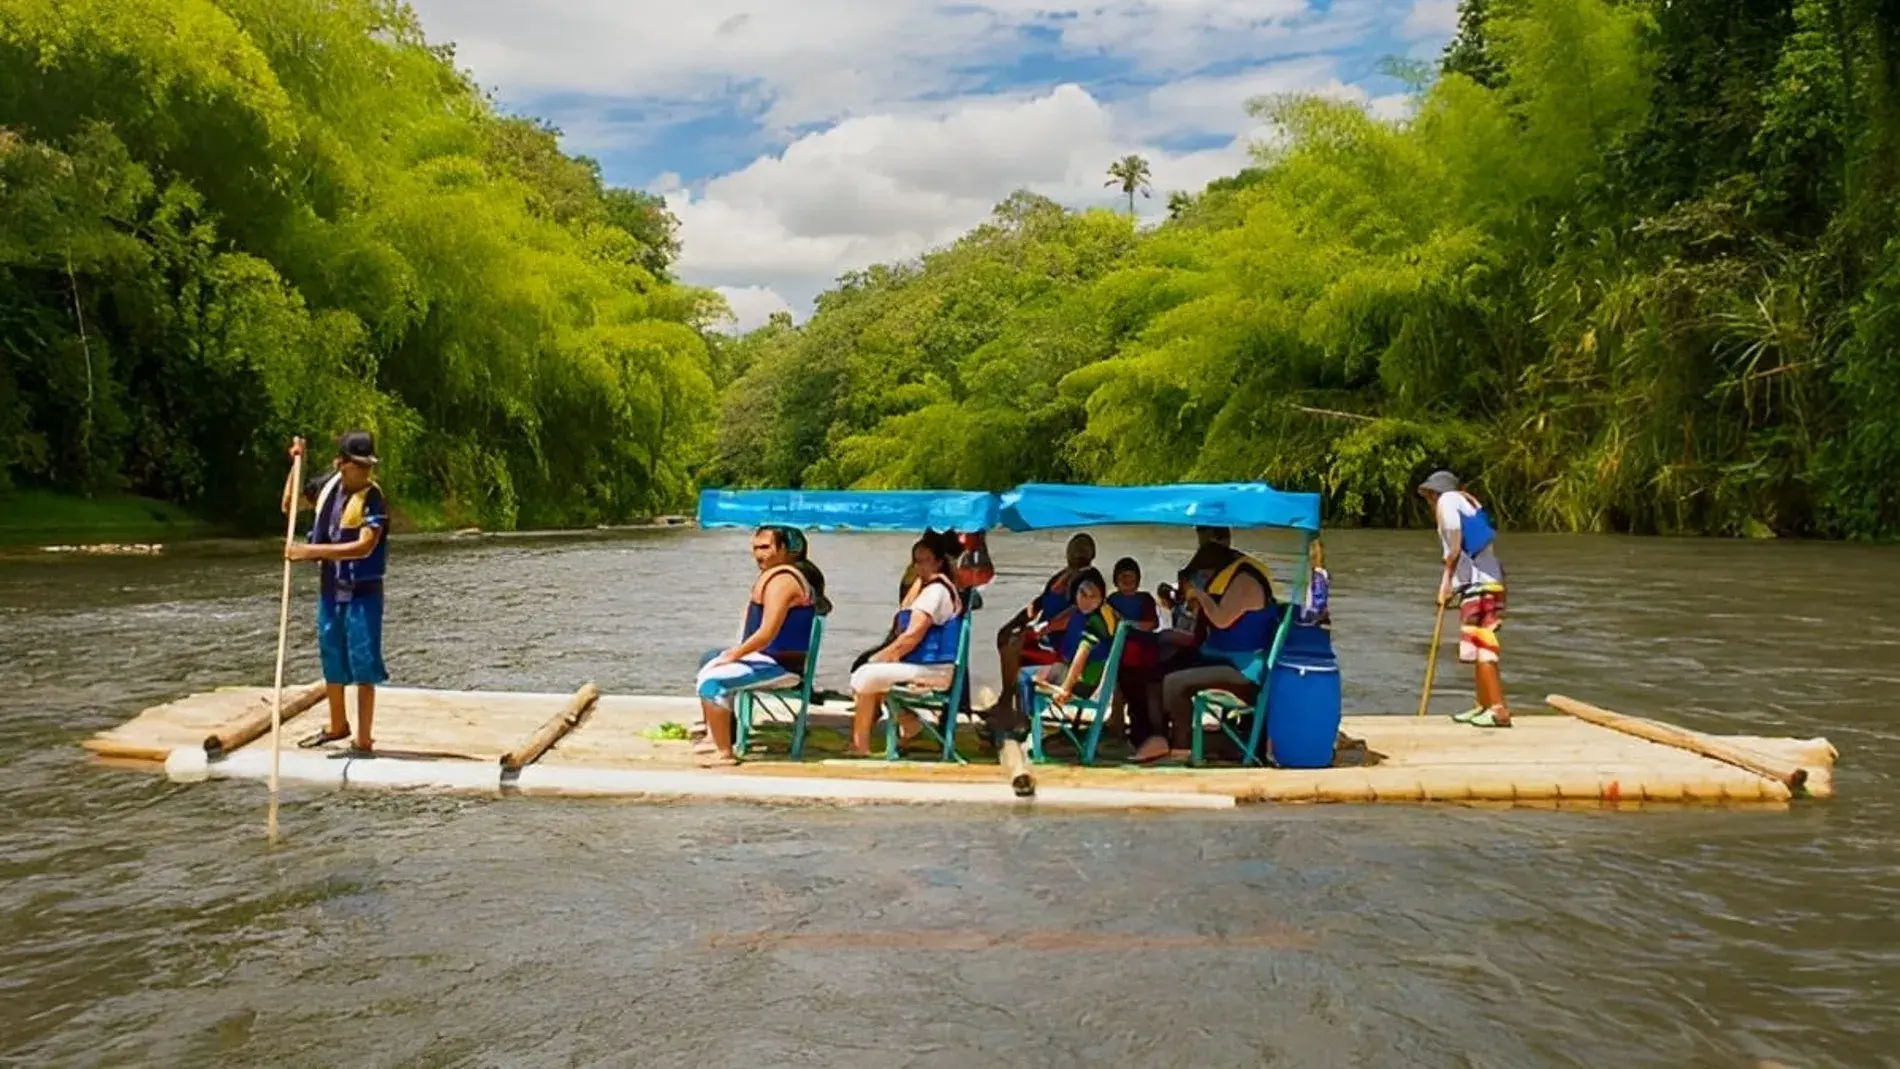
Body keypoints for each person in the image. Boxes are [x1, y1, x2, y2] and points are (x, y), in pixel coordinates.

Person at [284, 432, 389, 754]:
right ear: (342, 464)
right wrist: (295, 464)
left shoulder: (373, 498)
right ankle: (337, 724)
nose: (366, 472)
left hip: (363, 592)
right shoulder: (329, 486)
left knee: (363, 661)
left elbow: (364, 546)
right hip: (331, 590)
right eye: (360, 466)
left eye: (368, 465)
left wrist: (309, 551)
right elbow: (290, 504)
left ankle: (364, 737)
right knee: (332, 654)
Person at [692, 525, 823, 766]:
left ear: (785, 550)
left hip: (780, 666)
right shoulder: (776, 576)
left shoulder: (784, 581)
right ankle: (714, 735)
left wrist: (734, 655)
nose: (759, 554)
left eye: (766, 547)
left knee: (712, 682)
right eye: (755, 548)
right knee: (708, 660)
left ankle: (725, 753)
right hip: (764, 658)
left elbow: (766, 633)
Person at [1137, 540, 1278, 764]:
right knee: (1156, 671)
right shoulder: (1222, 582)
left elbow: (1221, 620)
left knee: (1175, 683)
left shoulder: (1245, 581)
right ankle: (1159, 736)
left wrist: (1199, 595)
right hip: (1218, 657)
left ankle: (1181, 749)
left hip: (1243, 671)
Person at [846, 536, 966, 756]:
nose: (919, 566)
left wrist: (880, 657)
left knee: (864, 675)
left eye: (925, 561)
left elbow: (912, 637)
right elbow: (906, 613)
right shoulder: (929, 588)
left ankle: (861, 745)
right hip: (926, 667)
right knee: (868, 675)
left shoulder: (936, 592)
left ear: (938, 562)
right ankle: (909, 724)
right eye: (916, 561)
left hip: (934, 670)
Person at [1418, 470, 1510, 727]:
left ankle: (1496, 707)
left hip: (1477, 585)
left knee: (1483, 647)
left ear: (1435, 493)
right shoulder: (1470, 503)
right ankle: (1483, 704)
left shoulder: (1448, 501)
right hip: (1491, 583)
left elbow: (1454, 543)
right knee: (1482, 645)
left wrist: (1446, 582)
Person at [986, 533, 1096, 723]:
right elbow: (1038, 604)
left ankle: (1010, 705)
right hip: (1045, 639)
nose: (1079, 553)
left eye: (1083, 549)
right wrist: (1015, 622)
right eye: (1075, 548)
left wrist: (1045, 628)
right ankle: (1009, 702)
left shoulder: (1090, 580)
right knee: (1006, 636)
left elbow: (1076, 612)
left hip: (1062, 646)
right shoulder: (1061, 576)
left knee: (1015, 643)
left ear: (1092, 553)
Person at [1018, 569, 1119, 740]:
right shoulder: (1085, 612)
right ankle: (1025, 722)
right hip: (1070, 669)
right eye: (1082, 593)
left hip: (1080, 681)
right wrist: (1043, 629)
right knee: (1028, 668)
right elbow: (1066, 618)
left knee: (1023, 676)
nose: (1086, 600)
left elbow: (1082, 655)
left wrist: (1066, 688)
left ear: (1101, 595)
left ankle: (1028, 726)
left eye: (1092, 595)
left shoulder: (1096, 623)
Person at [1106, 558, 1160, 746]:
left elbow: (1152, 624)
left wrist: (1128, 624)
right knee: (1118, 693)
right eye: (1122, 576)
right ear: (1115, 580)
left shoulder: (1145, 599)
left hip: (1143, 655)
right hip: (1119, 655)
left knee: (1141, 695)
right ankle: (1117, 730)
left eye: (1131, 575)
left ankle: (1140, 731)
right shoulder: (1111, 601)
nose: (1127, 579)